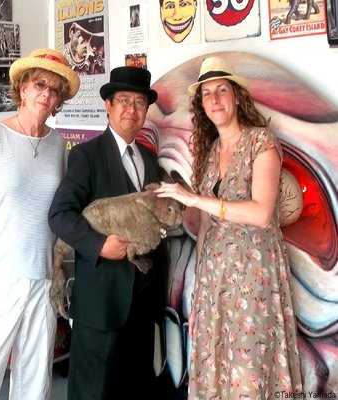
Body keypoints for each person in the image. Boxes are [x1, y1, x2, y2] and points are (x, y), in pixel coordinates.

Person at [155, 56, 303, 398]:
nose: (215, 99)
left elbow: (262, 213)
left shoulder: (260, 142)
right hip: (216, 278)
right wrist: (200, 278)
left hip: (254, 274)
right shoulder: (210, 152)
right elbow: (207, 224)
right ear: (201, 104)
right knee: (218, 359)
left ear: (237, 97)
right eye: (207, 94)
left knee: (250, 362)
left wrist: (195, 200)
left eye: (222, 90)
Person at [0, 48, 80, 399]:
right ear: (22, 88)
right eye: (40, 84)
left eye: (55, 91)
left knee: (34, 388)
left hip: (41, 281)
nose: (47, 94)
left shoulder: (58, 145)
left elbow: (59, 213)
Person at [48, 66, 170, 400]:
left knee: (134, 387)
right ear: (108, 106)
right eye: (124, 101)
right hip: (101, 301)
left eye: (140, 103)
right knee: (94, 390)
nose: (132, 110)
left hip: (144, 302)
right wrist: (101, 245)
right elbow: (59, 215)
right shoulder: (87, 156)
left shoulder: (149, 157)